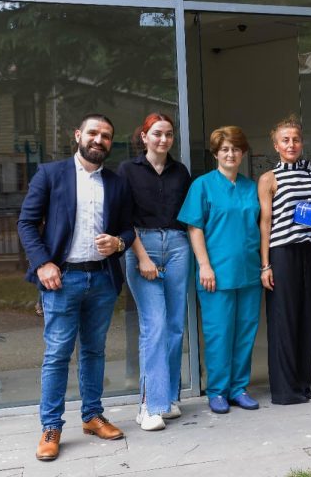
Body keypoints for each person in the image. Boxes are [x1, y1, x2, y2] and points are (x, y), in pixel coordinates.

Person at [17, 114, 134, 461]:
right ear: (78, 135)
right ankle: (51, 426)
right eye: (93, 133)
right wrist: (42, 263)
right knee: (57, 354)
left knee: (95, 351)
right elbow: (26, 223)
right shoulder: (51, 174)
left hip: (102, 279)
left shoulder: (116, 183)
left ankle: (92, 416)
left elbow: (128, 229)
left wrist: (118, 243)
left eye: (106, 136)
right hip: (61, 279)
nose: (99, 140)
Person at [178, 126, 262, 414]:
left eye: (235, 149)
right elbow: (194, 227)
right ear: (216, 153)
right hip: (216, 274)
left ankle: (239, 388)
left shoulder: (251, 187)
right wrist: (204, 265)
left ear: (243, 153)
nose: (230, 154)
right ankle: (217, 390)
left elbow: (261, 226)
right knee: (219, 334)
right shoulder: (202, 186)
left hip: (249, 272)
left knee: (245, 333)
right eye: (225, 149)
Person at [117, 113, 191, 430]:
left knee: (174, 326)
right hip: (141, 244)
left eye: (169, 134)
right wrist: (142, 257)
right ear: (144, 136)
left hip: (177, 245)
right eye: (157, 133)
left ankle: (169, 397)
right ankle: (148, 406)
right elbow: (122, 218)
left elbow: (187, 217)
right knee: (155, 325)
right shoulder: (128, 170)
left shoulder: (180, 172)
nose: (163, 139)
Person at [258, 116, 311, 405]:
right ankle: (285, 390)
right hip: (282, 252)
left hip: (308, 250)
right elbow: (266, 222)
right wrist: (266, 265)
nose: (291, 144)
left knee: (306, 318)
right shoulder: (269, 178)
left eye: (295, 139)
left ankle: (303, 383)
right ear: (276, 145)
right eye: (285, 140)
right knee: (284, 320)